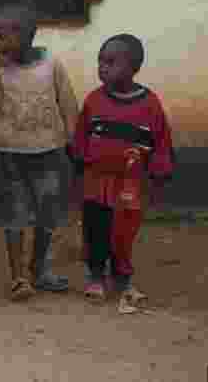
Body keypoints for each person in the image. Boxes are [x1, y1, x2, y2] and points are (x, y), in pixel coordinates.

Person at [0, 4, 78, 301]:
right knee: (14, 215)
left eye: (2, 36)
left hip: (49, 153)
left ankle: (39, 267)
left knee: (48, 214)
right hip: (11, 156)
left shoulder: (51, 64)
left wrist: (73, 140)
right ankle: (18, 276)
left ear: (26, 36)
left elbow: (68, 104)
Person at [70, 34, 173, 307]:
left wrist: (160, 172)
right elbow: (81, 136)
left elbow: (161, 140)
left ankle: (122, 278)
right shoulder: (94, 100)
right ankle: (95, 275)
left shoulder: (150, 104)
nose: (103, 67)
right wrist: (78, 164)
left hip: (130, 186)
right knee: (96, 229)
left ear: (133, 67)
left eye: (111, 62)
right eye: (100, 61)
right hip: (96, 182)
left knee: (123, 233)